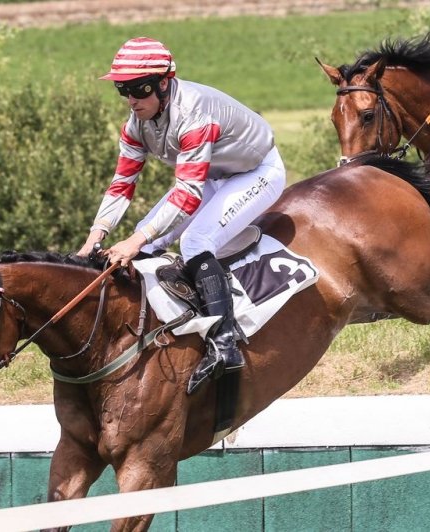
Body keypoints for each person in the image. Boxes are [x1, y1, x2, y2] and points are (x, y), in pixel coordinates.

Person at [76, 37, 286, 394]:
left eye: (139, 89)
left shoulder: (193, 114)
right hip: (213, 175)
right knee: (148, 236)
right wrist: (95, 237)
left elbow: (187, 195)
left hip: (256, 172)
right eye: (122, 90)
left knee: (194, 241)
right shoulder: (136, 124)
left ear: (163, 83)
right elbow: (122, 184)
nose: (131, 99)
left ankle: (225, 344)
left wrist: (133, 241)